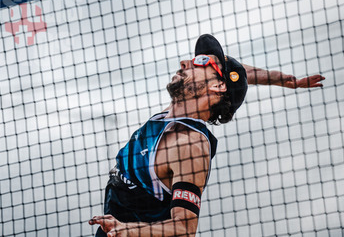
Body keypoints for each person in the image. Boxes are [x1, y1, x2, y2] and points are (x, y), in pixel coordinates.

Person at [89, 34, 324, 236]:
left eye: (200, 62)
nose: (184, 63)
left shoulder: (191, 145)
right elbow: (242, 73)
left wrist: (126, 230)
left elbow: (184, 228)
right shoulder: (172, 116)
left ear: (218, 86)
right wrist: (286, 80)